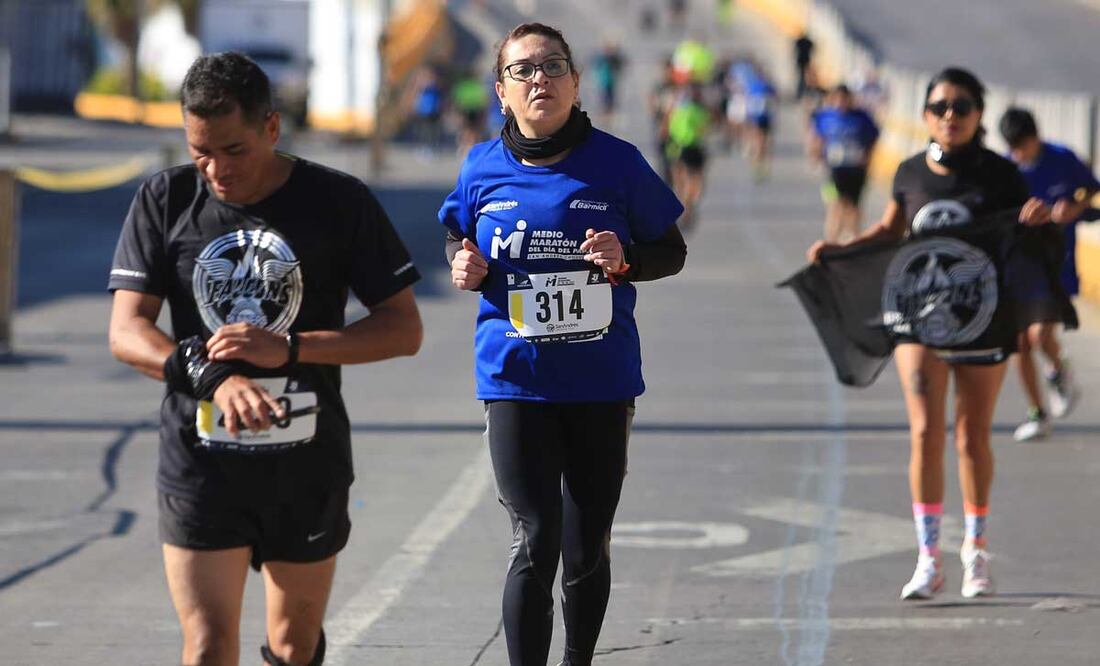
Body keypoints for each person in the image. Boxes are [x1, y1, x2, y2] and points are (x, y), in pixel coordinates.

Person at [107, 52, 423, 666]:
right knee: (206, 647)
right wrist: (212, 377)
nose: (215, 170)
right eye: (200, 151)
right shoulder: (166, 198)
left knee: (293, 646)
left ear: (271, 128)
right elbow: (126, 331)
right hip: (200, 465)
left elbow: (402, 329)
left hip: (305, 464)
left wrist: (294, 348)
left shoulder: (339, 201)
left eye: (232, 149)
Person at [439, 22, 686, 666]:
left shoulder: (618, 162)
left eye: (553, 66)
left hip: (599, 380)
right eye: (523, 70)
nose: (539, 79)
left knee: (585, 543)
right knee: (535, 538)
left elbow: (672, 251)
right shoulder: (480, 166)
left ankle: (578, 658)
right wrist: (461, 263)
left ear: (576, 83)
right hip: (514, 376)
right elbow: (455, 236)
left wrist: (625, 257)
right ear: (501, 91)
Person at [807, 67, 1051, 600]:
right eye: (940, 107)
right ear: (925, 116)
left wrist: (1036, 223)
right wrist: (838, 250)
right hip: (917, 314)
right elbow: (890, 231)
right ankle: (927, 559)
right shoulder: (910, 172)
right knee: (924, 432)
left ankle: (975, 552)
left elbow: (1024, 237)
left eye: (962, 106)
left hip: (983, 317)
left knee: (970, 437)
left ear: (979, 114)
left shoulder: (1002, 175)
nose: (950, 116)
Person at [1000, 107, 1096, 441]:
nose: (1018, 154)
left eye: (1022, 146)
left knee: (1039, 335)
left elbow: (1091, 191)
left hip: (1055, 262)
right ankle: (1037, 412)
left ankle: (1058, 370)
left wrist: (1075, 208)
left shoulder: (1062, 159)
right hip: (1017, 265)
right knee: (1019, 343)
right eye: (1012, 148)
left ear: (1035, 137)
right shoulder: (1004, 170)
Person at [808, 84, 880, 242]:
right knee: (835, 205)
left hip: (855, 170)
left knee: (853, 208)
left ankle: (852, 240)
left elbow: (873, 138)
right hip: (834, 170)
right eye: (838, 99)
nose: (841, 102)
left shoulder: (862, 118)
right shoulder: (825, 117)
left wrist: (867, 157)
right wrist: (815, 153)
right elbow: (816, 137)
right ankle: (831, 242)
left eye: (844, 99)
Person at [664, 82, 711, 231]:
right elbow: (704, 129)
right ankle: (689, 204)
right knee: (696, 178)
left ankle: (685, 205)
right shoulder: (700, 111)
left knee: (682, 179)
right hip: (695, 146)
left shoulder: (679, 111)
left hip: (681, 146)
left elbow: (670, 128)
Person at [793, 33, 814, 100]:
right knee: (803, 78)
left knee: (803, 78)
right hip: (804, 61)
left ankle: (802, 92)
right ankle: (802, 92)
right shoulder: (807, 42)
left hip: (802, 61)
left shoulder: (800, 41)